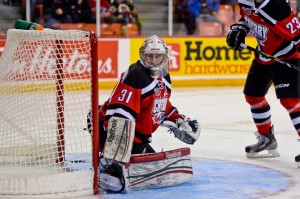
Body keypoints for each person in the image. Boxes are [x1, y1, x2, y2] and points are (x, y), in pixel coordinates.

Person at [87, 35, 200, 192]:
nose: (154, 60)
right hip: (111, 130)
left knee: (154, 169)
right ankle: (108, 162)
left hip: (137, 137)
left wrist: (178, 119)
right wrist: (116, 158)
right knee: (141, 168)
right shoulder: (136, 75)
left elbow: (161, 104)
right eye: (150, 56)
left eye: (157, 56)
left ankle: (118, 160)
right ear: (142, 56)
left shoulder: (164, 75)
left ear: (164, 56)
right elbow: (119, 115)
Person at [226, 0, 300, 162]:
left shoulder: (277, 6)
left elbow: (297, 34)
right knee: (253, 96)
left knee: (290, 101)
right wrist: (240, 29)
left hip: (287, 56)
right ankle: (267, 138)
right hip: (263, 56)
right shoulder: (245, 1)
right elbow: (247, 18)